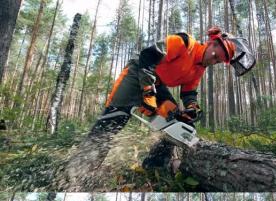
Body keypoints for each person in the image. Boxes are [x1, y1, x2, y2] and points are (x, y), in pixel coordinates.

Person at [67, 26, 256, 177]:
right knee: (114, 119)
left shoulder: (199, 69)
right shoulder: (185, 42)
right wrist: (147, 90)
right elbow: (148, 55)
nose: (212, 60)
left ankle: (154, 166)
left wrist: (192, 107)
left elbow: (189, 92)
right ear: (212, 42)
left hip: (157, 85)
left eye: (217, 61)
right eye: (215, 55)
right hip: (136, 75)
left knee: (179, 123)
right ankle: (79, 168)